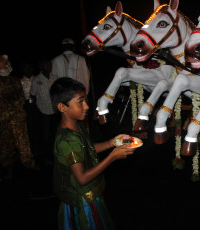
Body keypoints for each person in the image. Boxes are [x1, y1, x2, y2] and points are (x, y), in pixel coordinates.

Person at [49, 77, 135, 230]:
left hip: (90, 193)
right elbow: (81, 178)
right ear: (62, 107)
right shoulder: (67, 140)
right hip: (82, 200)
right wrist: (112, 157)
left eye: (86, 100)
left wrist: (111, 143)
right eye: (80, 102)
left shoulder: (77, 124)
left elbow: (87, 149)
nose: (87, 106)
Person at [0, 54, 35, 180]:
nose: (4, 67)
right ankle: (8, 168)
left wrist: (10, 100)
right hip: (2, 120)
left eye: (6, 64)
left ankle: (29, 165)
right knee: (5, 146)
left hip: (18, 119)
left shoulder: (15, 80)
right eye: (0, 64)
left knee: (23, 142)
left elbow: (20, 98)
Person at [30, 58, 58, 166]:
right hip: (43, 112)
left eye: (50, 64)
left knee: (56, 135)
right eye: (46, 64)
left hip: (55, 112)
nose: (49, 66)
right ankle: (46, 157)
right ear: (41, 66)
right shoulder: (37, 80)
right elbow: (32, 95)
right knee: (45, 136)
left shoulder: (55, 78)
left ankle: (57, 155)